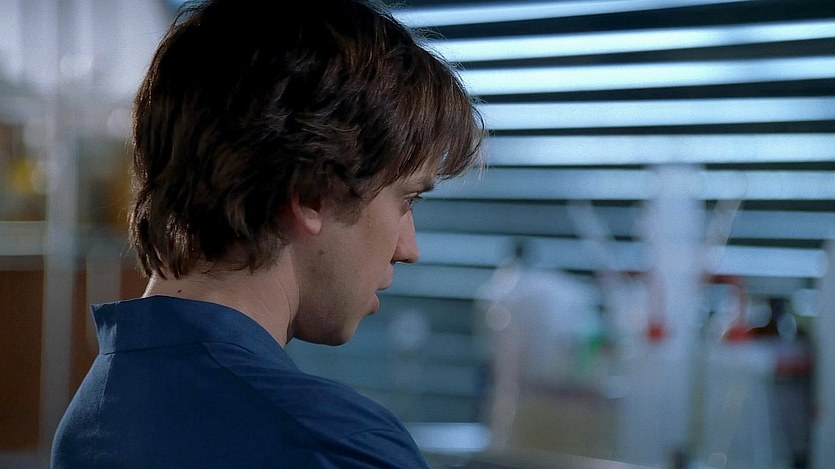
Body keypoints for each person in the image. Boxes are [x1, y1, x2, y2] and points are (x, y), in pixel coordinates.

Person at [51, 0, 482, 467]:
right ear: (313, 194)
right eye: (407, 200)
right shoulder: (334, 443)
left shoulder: (89, 422)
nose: (409, 248)